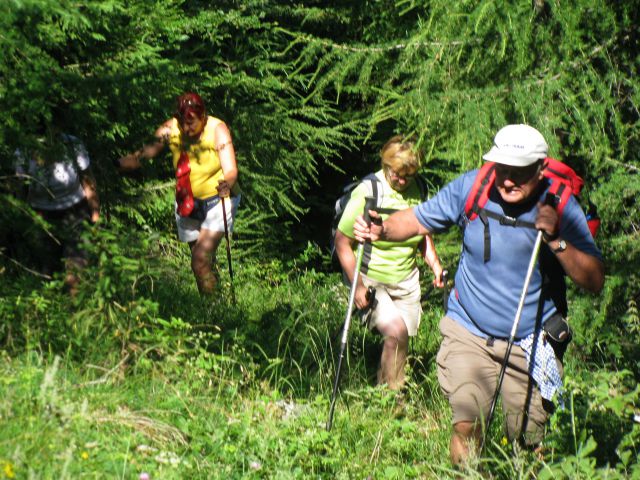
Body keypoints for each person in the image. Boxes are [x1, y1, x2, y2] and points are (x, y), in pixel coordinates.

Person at [353, 125, 604, 465]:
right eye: (503, 168)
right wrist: (382, 229)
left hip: (531, 342)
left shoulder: (560, 204)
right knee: (467, 424)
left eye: (520, 171)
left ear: (541, 169)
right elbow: (417, 220)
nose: (508, 180)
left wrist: (557, 240)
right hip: (468, 331)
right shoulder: (475, 186)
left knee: (530, 444)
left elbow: (594, 279)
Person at [334, 135, 444, 391]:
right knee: (396, 333)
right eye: (397, 174)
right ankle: (395, 403)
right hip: (371, 278)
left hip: (405, 280)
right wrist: (358, 286)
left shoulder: (421, 190)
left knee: (399, 341)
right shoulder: (369, 191)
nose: (403, 181)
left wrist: (435, 265)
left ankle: (382, 397)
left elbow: (422, 234)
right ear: (386, 166)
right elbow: (342, 243)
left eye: (409, 175)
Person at [116, 92, 240, 295]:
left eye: (192, 122)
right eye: (183, 122)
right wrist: (117, 165)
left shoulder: (218, 129)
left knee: (199, 260)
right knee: (201, 261)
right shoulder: (170, 129)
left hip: (219, 200)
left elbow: (231, 169)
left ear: (203, 116)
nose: (187, 128)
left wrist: (227, 183)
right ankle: (215, 303)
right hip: (187, 200)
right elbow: (144, 153)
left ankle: (213, 310)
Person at [14, 124, 100, 295]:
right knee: (44, 273)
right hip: (40, 216)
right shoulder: (22, 153)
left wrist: (96, 216)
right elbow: (19, 190)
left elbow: (88, 182)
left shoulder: (72, 145)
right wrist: (22, 220)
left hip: (75, 212)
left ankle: (75, 312)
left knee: (75, 274)